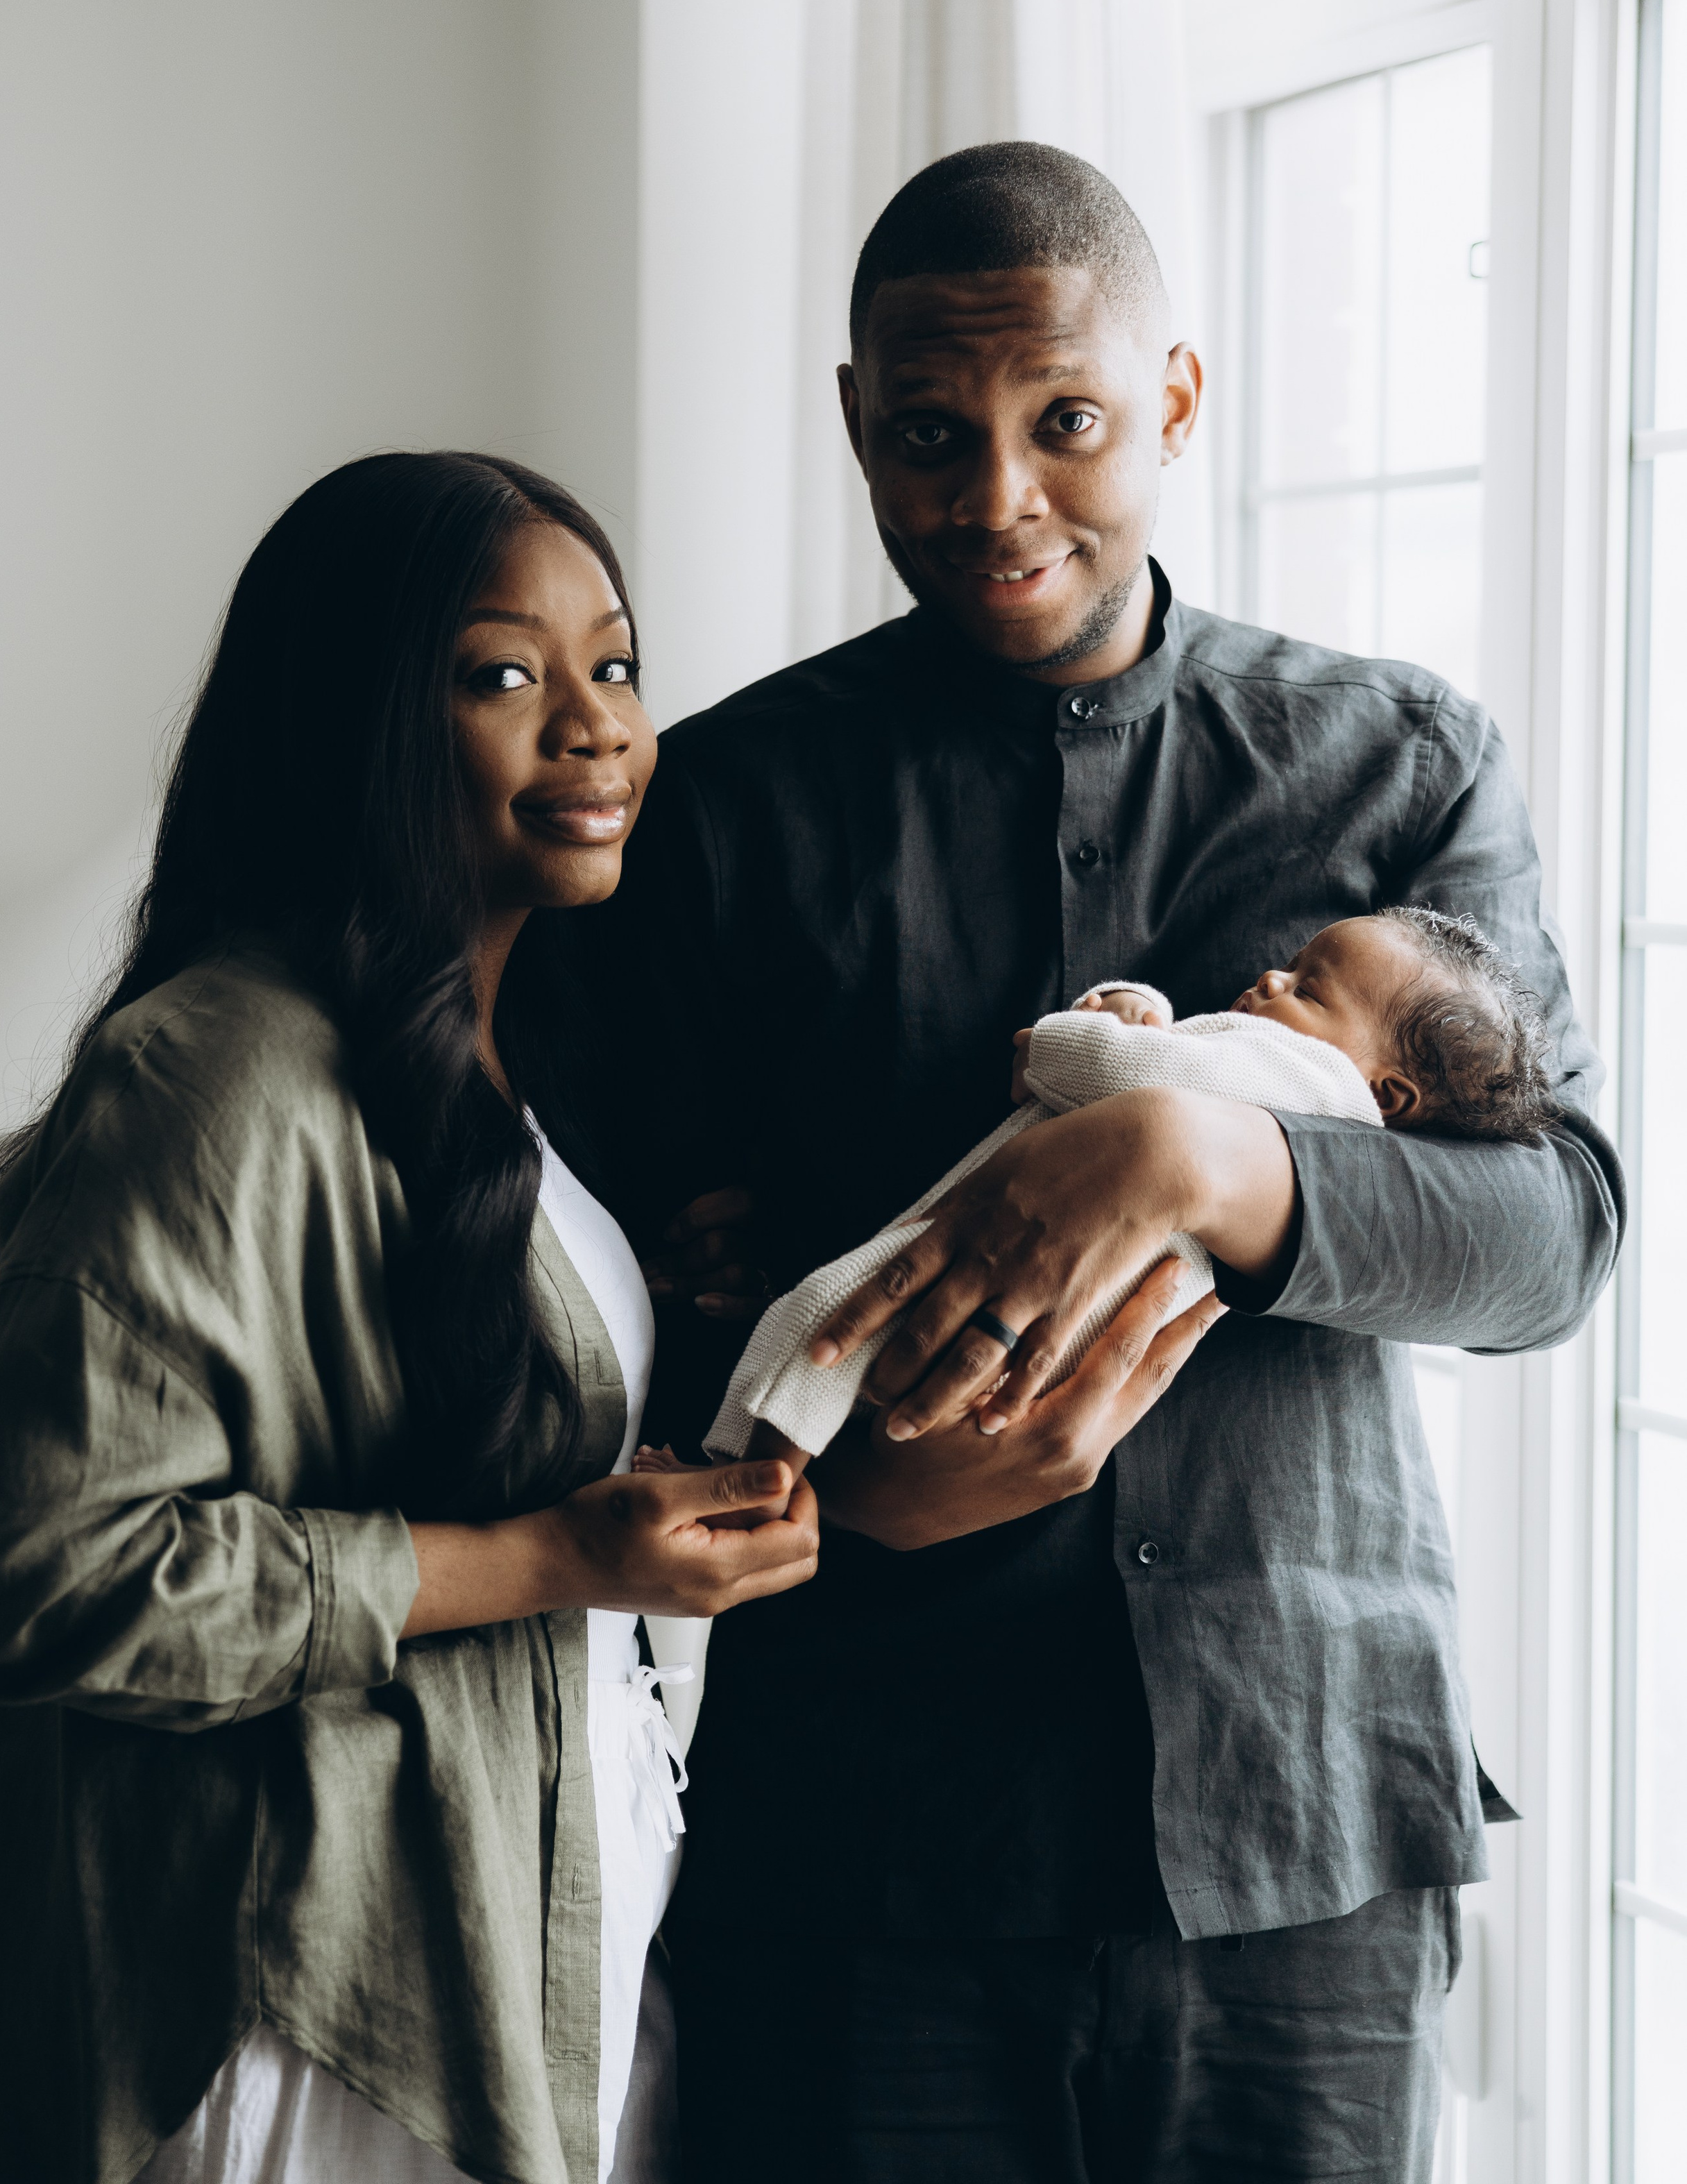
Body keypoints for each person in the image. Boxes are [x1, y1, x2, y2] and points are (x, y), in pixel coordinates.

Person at [560, 143, 1625, 2183]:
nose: (993, 497)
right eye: (926, 434)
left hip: (1305, 1830)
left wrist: (1195, 1157)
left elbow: (1551, 1231)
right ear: (853, 422)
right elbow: (599, 1301)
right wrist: (830, 1488)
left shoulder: (1403, 764)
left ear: (1176, 401)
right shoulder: (714, 810)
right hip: (860, 1840)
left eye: (1062, 421)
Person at [0, 452, 826, 2184]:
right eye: (503, 674)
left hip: (513, 1935)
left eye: (615, 665)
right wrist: (550, 1555)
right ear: (356, 723)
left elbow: (383, 1416)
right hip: (304, 2004)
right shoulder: (225, 1068)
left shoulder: (497, 1072)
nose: (596, 727)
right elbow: (10, 1561)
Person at [688, 906, 1557, 1474]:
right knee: (854, 1370)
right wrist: (1133, 1005)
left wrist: (1051, 1045)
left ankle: (739, 1481)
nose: (1270, 981)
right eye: (1288, 967)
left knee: (821, 1324)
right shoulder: (1304, 1093)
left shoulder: (1305, 1078)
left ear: (1385, 1095)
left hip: (1005, 1282)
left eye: (1308, 989)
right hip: (1060, 1330)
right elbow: (1171, 1061)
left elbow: (1125, 1076)